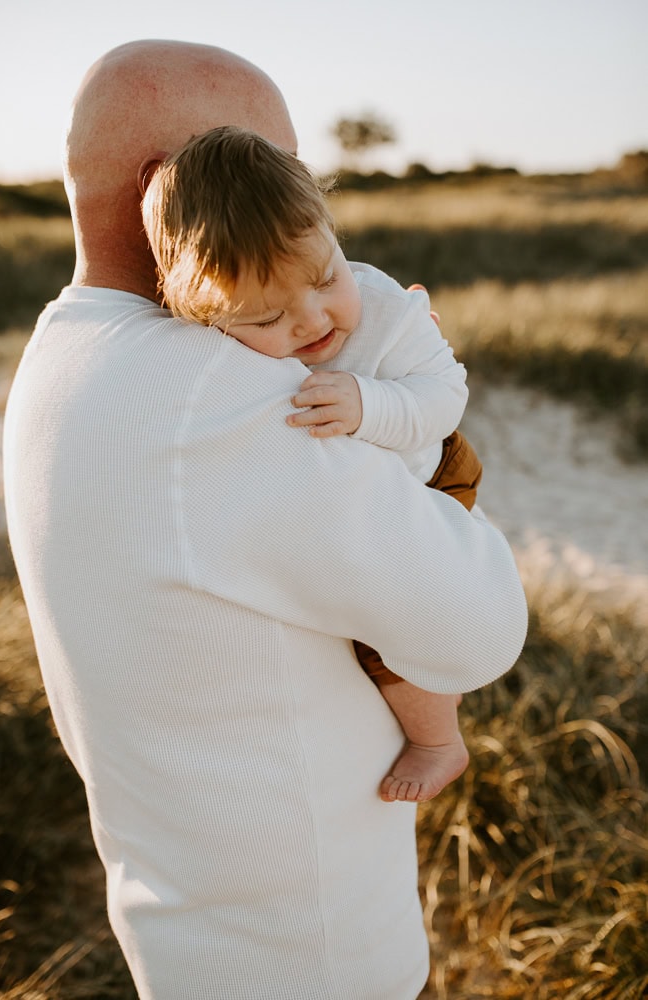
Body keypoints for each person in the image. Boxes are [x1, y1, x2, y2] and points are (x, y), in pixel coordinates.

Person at [3, 40, 527, 1000]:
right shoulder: (221, 393)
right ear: (178, 184)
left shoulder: (58, 355)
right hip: (312, 952)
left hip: (186, 923)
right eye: (269, 161)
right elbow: (478, 627)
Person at [141, 125, 484, 804]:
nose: (310, 318)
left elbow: (444, 397)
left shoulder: (387, 308)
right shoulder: (216, 346)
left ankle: (437, 739)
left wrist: (368, 405)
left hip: (429, 474)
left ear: (331, 233)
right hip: (358, 498)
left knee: (387, 629)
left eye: (326, 277)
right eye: (266, 317)